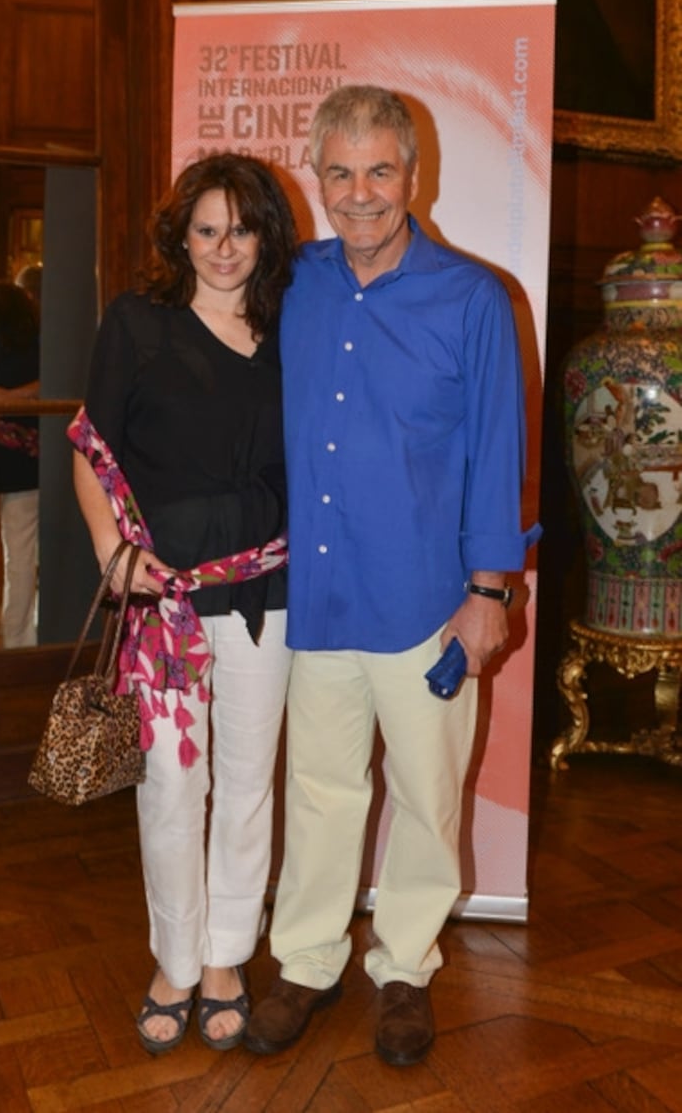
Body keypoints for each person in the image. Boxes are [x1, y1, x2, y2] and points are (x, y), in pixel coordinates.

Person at [243, 86, 540, 1067]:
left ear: (414, 176)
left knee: (424, 795)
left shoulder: (471, 297)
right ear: (316, 178)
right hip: (319, 596)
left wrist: (489, 592)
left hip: (427, 602)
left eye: (379, 170)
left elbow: (498, 451)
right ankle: (306, 960)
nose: (360, 193)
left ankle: (403, 966)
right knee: (319, 789)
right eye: (340, 172)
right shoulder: (293, 281)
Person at [70, 153, 297, 1055]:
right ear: (182, 236)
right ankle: (174, 956)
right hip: (161, 602)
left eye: (241, 229)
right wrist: (110, 549)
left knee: (245, 786)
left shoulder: (293, 328)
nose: (223, 248)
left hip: (266, 593)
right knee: (171, 785)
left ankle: (225, 957)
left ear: (265, 236)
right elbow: (92, 448)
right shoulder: (137, 323)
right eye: (206, 229)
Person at [0, 279, 41, 649]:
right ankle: (17, 646)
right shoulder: (38, 347)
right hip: (26, 465)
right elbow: (57, 380)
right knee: (21, 559)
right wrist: (17, 397)